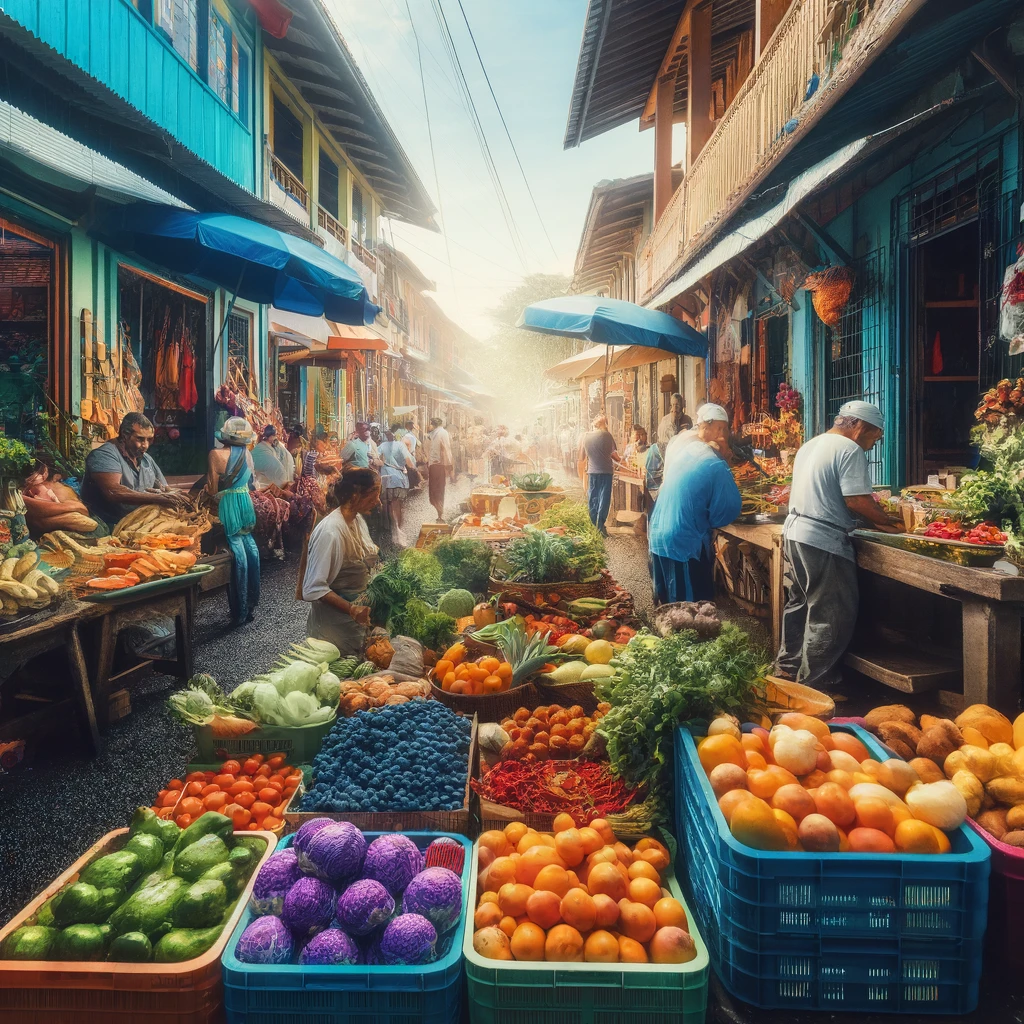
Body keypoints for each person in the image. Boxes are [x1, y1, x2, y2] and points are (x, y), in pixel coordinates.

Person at [776, 400, 902, 688]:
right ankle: (815, 685)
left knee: (799, 604)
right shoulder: (849, 449)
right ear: (859, 427)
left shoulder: (813, 444)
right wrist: (888, 522)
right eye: (874, 436)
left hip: (795, 533)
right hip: (823, 541)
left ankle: (786, 670)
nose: (872, 445)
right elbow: (856, 500)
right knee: (829, 613)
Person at [648, 403, 742, 604]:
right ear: (710, 427)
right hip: (682, 544)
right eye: (722, 428)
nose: (724, 434)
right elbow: (726, 511)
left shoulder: (688, 449)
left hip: (658, 534)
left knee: (667, 611)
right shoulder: (716, 464)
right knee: (689, 613)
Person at [300, 469, 381, 657]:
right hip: (332, 633)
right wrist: (352, 609)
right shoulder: (331, 532)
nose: (378, 501)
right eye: (374, 494)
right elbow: (313, 588)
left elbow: (365, 555)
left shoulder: (357, 520)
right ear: (355, 496)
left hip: (354, 628)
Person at [81, 411, 187, 526]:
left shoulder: (147, 459)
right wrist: (159, 498)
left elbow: (165, 489)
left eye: (149, 439)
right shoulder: (104, 455)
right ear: (125, 435)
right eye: (140, 439)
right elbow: (113, 491)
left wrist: (176, 495)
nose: (145, 445)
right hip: (109, 525)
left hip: (140, 523)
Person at [207, 417, 260, 626]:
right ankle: (251, 604)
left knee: (237, 552)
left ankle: (239, 610)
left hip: (228, 503)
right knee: (250, 548)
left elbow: (212, 489)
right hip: (245, 502)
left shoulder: (215, 454)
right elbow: (252, 482)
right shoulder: (248, 454)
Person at [579, 415, 617, 534]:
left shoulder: (586, 437)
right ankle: (600, 526)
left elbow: (582, 457)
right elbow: (615, 456)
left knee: (593, 497)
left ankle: (593, 524)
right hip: (606, 472)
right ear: (604, 424)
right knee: (604, 499)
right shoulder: (608, 436)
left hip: (592, 472)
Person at [379, 425, 416, 546]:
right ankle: (398, 532)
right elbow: (409, 463)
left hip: (385, 479)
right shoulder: (400, 445)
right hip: (398, 479)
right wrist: (415, 470)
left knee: (387, 505)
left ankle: (389, 531)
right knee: (397, 505)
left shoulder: (382, 446)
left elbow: (373, 457)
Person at [426, 416, 454, 522]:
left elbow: (446, 448)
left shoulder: (442, 433)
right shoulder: (434, 434)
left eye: (430, 423)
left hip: (439, 465)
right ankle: (439, 513)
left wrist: (448, 464)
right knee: (434, 491)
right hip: (434, 465)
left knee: (438, 490)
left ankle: (440, 514)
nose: (428, 426)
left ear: (433, 424)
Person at [251, 425, 294, 491]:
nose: (276, 437)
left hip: (257, 484)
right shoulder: (264, 450)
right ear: (270, 437)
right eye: (274, 435)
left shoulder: (267, 446)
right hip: (259, 487)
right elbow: (280, 474)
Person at [401, 420, 422, 489]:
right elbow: (419, 444)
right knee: (412, 469)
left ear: (406, 427)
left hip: (407, 454)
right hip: (412, 454)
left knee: (408, 470)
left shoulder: (405, 436)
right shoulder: (413, 436)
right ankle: (414, 484)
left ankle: (411, 485)